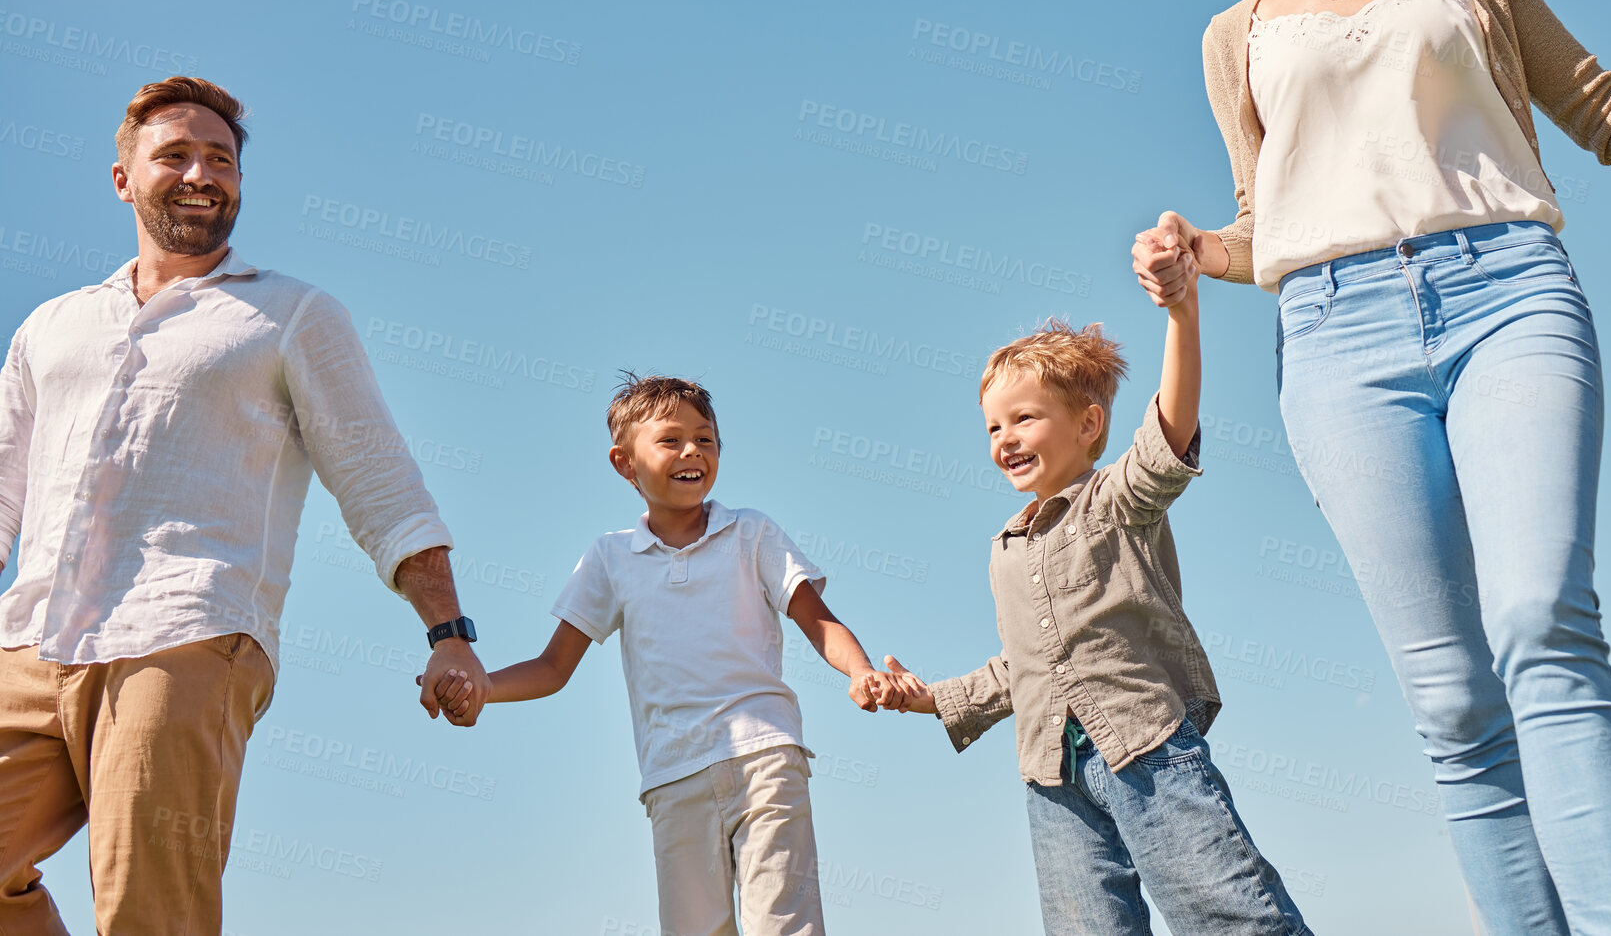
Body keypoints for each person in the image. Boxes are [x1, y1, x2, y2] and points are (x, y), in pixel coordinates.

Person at [1134, 0, 1611, 933]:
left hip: (1506, 293)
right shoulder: (1235, 39)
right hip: (1335, 338)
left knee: (1541, 620)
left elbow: (1605, 111)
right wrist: (1188, 250)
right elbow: (1268, 228)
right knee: (1452, 700)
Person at [0, 76, 493, 935]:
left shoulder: (291, 314)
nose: (202, 173)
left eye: (221, 159)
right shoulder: (51, 325)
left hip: (186, 635)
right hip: (30, 640)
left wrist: (449, 635)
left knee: (149, 915)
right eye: (176, 155)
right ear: (123, 179)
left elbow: (381, 481)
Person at [880, 241, 1313, 936]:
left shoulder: (1115, 500)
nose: (1004, 438)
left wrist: (1181, 314)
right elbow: (1022, 668)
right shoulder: (1006, 548)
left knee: (1227, 913)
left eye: (1024, 418)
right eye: (993, 425)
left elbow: (1166, 435)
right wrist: (929, 697)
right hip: (1053, 777)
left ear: (1087, 425)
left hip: (1146, 749)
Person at [426, 373, 899, 936]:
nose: (692, 451)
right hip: (673, 778)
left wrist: (862, 670)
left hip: (765, 756)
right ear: (624, 463)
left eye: (706, 437)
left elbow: (818, 620)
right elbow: (553, 667)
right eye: (670, 439)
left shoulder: (753, 533)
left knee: (784, 925)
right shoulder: (610, 558)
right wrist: (485, 686)